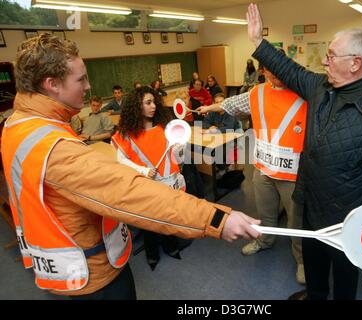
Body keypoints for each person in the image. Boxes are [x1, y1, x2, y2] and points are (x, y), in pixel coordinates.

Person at [1, 33, 260, 300]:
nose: (89, 86)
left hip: (61, 265)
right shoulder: (55, 148)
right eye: (80, 79)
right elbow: (129, 193)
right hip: (92, 274)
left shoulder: (16, 124)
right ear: (52, 84)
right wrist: (217, 218)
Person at [246, 3, 362, 300]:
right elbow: (290, 69)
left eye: (330, 56)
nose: (324, 62)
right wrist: (258, 42)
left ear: (355, 63)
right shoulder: (321, 87)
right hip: (310, 204)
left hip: (348, 220)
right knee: (314, 268)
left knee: (344, 276)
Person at [197, 56, 308, 285]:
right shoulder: (257, 93)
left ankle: (302, 259)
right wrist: (208, 107)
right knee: (266, 213)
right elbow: (231, 104)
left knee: (296, 220)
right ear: (263, 71)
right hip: (262, 169)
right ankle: (265, 241)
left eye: (278, 70)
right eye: (269, 70)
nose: (274, 75)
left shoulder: (304, 92)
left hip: (292, 174)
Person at [111, 86, 188, 270]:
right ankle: (152, 254)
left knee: (169, 218)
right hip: (146, 185)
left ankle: (171, 247)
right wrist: (143, 170)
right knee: (148, 221)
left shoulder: (165, 127)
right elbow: (120, 160)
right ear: (137, 106)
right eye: (148, 103)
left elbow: (178, 158)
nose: (153, 106)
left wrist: (179, 150)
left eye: (154, 102)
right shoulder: (126, 134)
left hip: (170, 183)